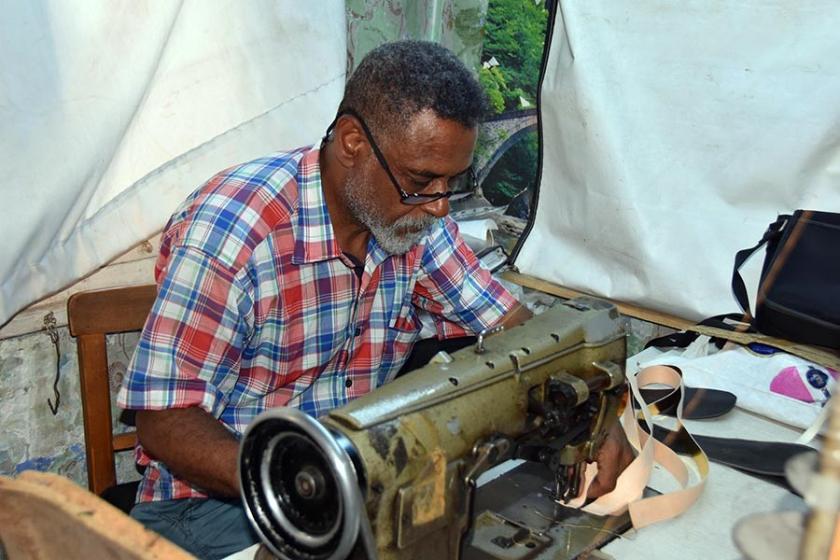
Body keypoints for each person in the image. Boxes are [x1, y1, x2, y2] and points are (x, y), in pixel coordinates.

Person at [117, 40, 632, 559]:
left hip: (357, 485)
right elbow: (164, 419)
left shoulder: (413, 221)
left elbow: (518, 330)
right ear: (352, 143)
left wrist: (597, 413)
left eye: (453, 183)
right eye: (421, 181)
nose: (439, 206)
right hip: (219, 507)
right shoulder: (237, 230)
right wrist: (303, 480)